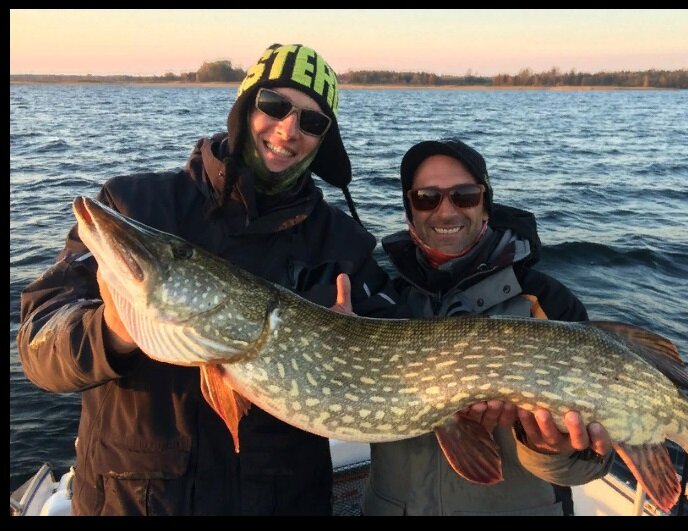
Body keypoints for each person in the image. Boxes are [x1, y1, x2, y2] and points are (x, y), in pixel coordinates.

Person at [16, 43, 403, 516]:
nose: (288, 129)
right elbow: (38, 344)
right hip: (132, 502)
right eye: (274, 106)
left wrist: (353, 345)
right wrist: (111, 329)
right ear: (244, 107)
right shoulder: (134, 203)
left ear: (324, 139)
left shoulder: (344, 244)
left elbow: (401, 372)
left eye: (312, 121)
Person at [361, 138, 615, 516]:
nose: (446, 211)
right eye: (427, 197)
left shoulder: (545, 302)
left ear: (485, 205)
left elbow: (593, 462)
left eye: (464, 195)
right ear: (409, 210)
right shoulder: (382, 301)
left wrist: (549, 448)